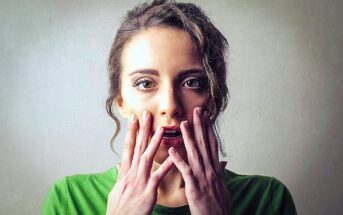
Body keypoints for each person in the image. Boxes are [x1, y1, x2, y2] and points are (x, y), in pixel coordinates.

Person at [42, 0, 297, 214]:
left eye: (192, 82)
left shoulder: (268, 199)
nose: (170, 106)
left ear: (213, 98)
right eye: (145, 83)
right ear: (122, 103)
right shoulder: (69, 199)